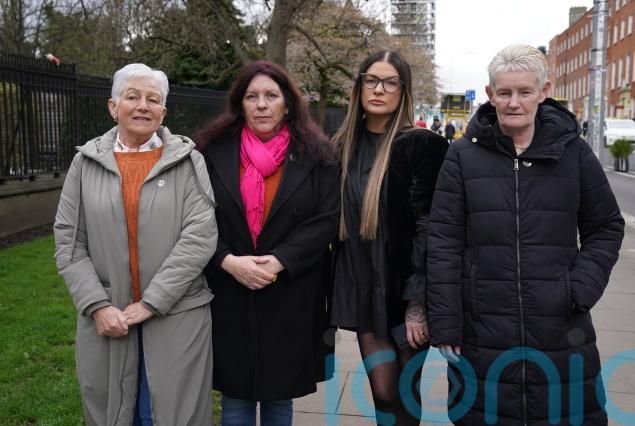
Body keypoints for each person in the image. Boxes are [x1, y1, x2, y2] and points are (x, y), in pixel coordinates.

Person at [427, 44, 624, 424]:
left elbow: (606, 226)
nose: (514, 102)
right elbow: (443, 242)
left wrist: (579, 288)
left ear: (543, 91)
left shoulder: (575, 153)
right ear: (490, 94)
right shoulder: (462, 156)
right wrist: (446, 323)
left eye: (524, 91)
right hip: (482, 328)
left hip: (560, 328)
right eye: (504, 92)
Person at [54, 63, 218, 425]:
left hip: (178, 314)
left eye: (153, 99)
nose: (143, 106)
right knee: (114, 413)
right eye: (133, 97)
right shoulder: (84, 163)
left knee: (171, 414)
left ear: (163, 112)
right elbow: (69, 241)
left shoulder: (189, 162)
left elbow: (199, 237)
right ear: (113, 107)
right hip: (109, 316)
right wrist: (97, 306)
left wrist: (151, 302)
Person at [196, 60, 340, 426]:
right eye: (252, 96)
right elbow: (195, 217)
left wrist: (279, 261)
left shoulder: (317, 155)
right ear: (240, 104)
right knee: (235, 400)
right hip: (230, 290)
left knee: (279, 398)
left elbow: (326, 220)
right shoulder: (211, 152)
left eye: (271, 96)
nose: (261, 104)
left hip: (290, 291)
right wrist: (227, 260)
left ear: (287, 104)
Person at [330, 50, 448, 425]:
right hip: (364, 288)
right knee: (383, 392)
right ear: (359, 86)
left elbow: (431, 227)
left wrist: (418, 303)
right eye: (371, 80)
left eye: (390, 82)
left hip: (406, 288)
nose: (379, 89)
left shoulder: (423, 146)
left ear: (403, 90)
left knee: (406, 393)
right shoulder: (341, 147)